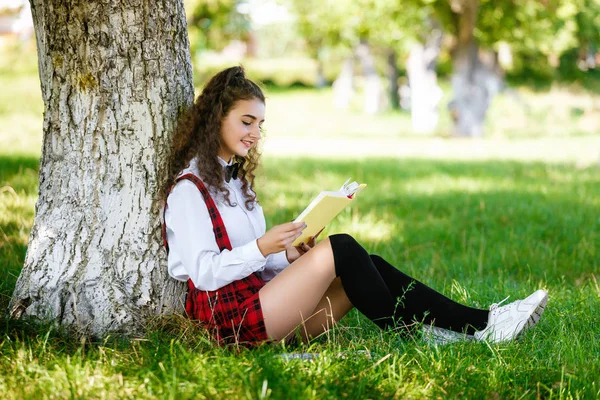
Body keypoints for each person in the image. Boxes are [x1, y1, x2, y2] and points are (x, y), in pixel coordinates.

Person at [160, 66, 548, 346]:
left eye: (260, 124)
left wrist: (287, 257)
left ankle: (463, 330)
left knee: (367, 267)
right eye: (247, 122)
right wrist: (263, 247)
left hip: (264, 304)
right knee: (343, 247)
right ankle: (478, 325)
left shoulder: (238, 183)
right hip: (229, 322)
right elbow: (205, 274)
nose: (255, 134)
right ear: (216, 119)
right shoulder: (189, 191)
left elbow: (256, 265)